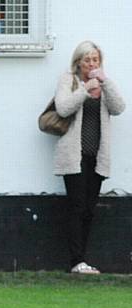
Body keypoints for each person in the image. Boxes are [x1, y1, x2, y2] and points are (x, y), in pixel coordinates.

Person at [53, 41, 125, 274]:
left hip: (96, 155)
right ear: (78, 63)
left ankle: (82, 259)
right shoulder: (69, 80)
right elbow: (62, 108)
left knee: (88, 209)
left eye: (95, 59)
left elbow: (119, 107)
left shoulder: (103, 85)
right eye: (87, 60)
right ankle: (76, 261)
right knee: (76, 207)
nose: (92, 64)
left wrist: (105, 82)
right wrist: (85, 90)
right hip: (74, 156)